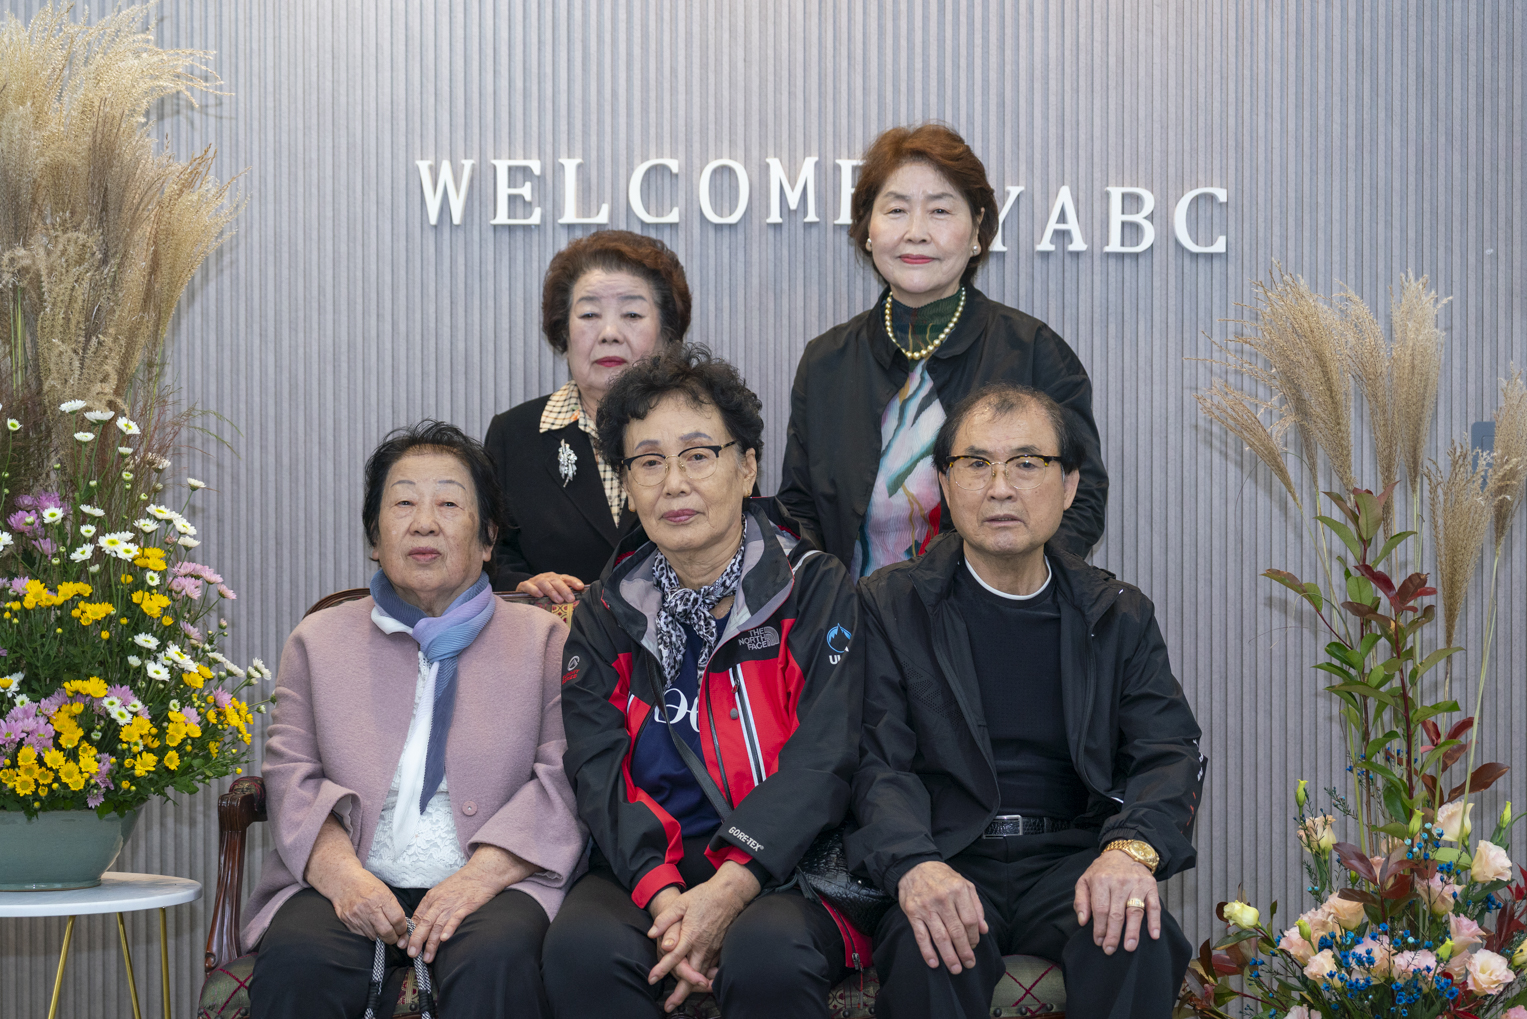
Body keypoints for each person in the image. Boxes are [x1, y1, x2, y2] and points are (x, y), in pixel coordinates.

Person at [846, 383, 1203, 1019]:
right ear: (944, 484)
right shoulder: (891, 606)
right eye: (976, 464)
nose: (1000, 488)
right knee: (927, 948)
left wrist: (1129, 851)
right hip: (948, 854)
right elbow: (877, 762)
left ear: (1068, 486)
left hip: (1073, 859)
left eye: (1027, 464)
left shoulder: (1115, 614)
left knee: (1138, 933)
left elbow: (1167, 749)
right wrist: (913, 864)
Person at [543, 346, 863, 1018]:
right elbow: (597, 768)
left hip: (786, 860)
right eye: (648, 462)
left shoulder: (813, 586)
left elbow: (825, 754)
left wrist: (731, 886)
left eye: (697, 455)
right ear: (627, 484)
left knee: (766, 953)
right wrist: (667, 899)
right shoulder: (605, 611)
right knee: (582, 949)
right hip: (651, 864)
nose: (674, 483)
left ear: (747, 467)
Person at [246, 421, 586, 1019]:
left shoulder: (543, 640)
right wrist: (345, 879)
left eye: (449, 504)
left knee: (496, 957)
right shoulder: (318, 640)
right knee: (300, 958)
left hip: (497, 878)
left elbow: (563, 777)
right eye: (403, 503)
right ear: (375, 537)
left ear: (488, 538)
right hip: (354, 868)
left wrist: (479, 877)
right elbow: (291, 775)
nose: (424, 522)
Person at [777, 123, 1108, 577]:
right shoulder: (826, 362)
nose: (916, 232)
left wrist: (1007, 590)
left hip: (991, 612)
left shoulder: (1034, 353)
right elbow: (798, 511)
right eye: (896, 209)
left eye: (940, 210)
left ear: (977, 230)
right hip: (851, 614)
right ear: (868, 228)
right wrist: (825, 598)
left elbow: (1081, 499)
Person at [485, 230, 692, 601]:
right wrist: (524, 585)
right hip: (556, 632)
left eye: (632, 314)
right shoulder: (514, 434)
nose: (610, 333)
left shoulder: (703, 427)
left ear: (666, 334)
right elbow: (491, 552)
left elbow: (742, 541)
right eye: (590, 314)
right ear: (563, 331)